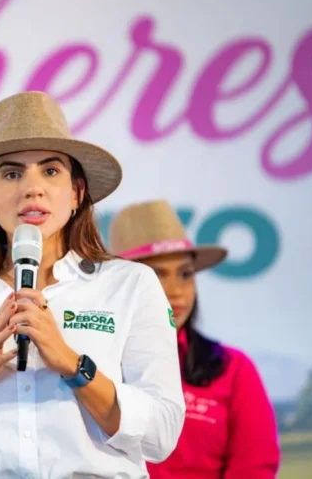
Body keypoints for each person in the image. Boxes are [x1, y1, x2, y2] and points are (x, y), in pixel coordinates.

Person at [0, 91, 186, 478]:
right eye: (12, 173)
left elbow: (161, 434)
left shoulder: (129, 285)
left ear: (76, 194)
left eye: (50, 171)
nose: (32, 188)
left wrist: (69, 362)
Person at [109, 199, 280, 478]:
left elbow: (254, 467)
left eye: (185, 274)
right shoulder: (88, 362)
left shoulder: (233, 369)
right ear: (118, 283)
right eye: (156, 275)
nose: (176, 291)